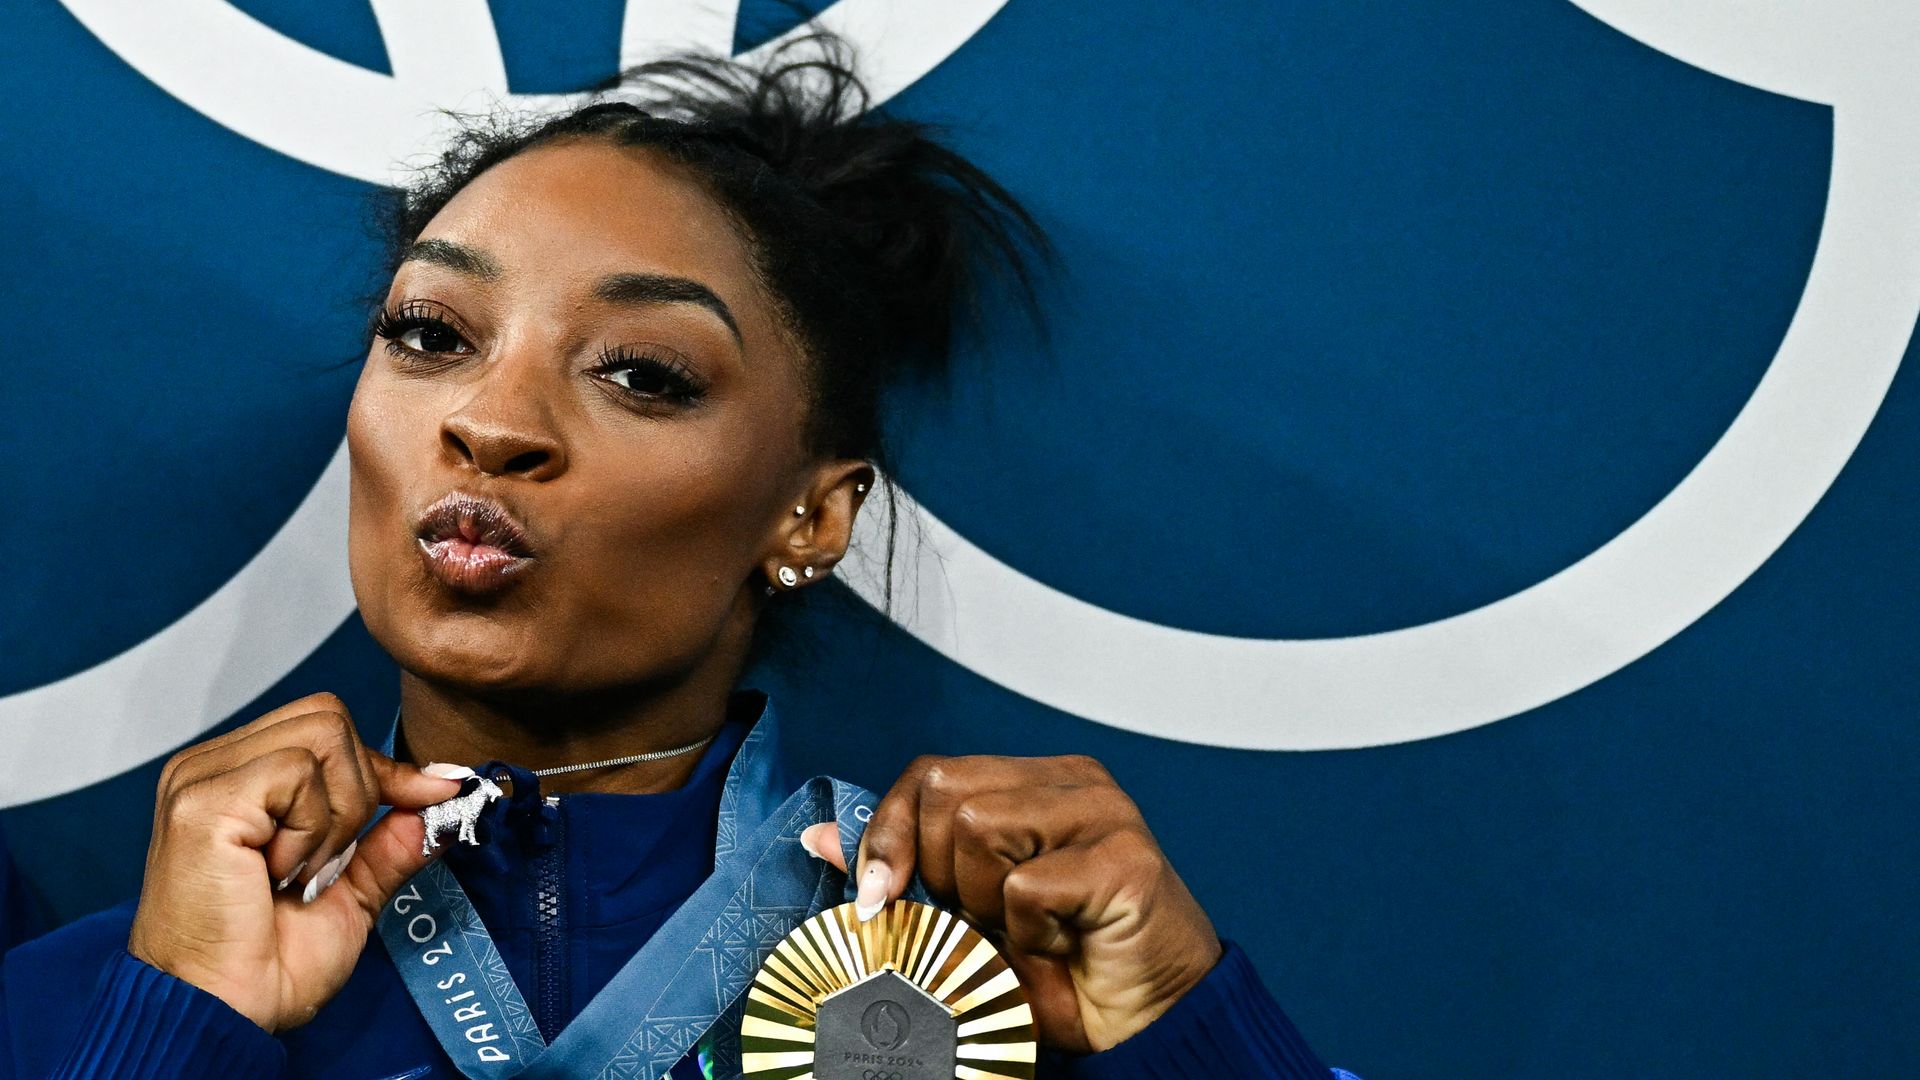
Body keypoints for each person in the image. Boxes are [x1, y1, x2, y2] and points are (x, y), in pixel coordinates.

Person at [0, 39, 1356, 1079]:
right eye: (431, 334)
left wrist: (1190, 1034)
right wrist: (173, 1028)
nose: (489, 422)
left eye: (642, 373)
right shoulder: (90, 1001)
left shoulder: (993, 1000)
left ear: (811, 519)